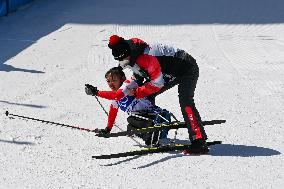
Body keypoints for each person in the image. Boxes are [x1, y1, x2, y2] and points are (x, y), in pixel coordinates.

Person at [107, 35, 208, 154]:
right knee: (146, 96)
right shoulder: (129, 50)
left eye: (125, 59)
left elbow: (157, 84)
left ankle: (199, 141)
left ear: (128, 53)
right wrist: (123, 79)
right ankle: (151, 130)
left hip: (187, 69)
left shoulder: (147, 56)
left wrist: (137, 92)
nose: (124, 62)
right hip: (166, 70)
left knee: (185, 101)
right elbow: (139, 74)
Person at [85, 67, 171, 146]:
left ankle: (153, 137)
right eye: (108, 81)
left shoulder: (129, 84)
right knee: (130, 126)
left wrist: (97, 92)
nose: (111, 84)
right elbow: (112, 113)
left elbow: (117, 95)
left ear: (122, 78)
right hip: (144, 119)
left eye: (114, 80)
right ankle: (151, 135)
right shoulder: (115, 97)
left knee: (131, 119)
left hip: (156, 117)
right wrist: (108, 129)